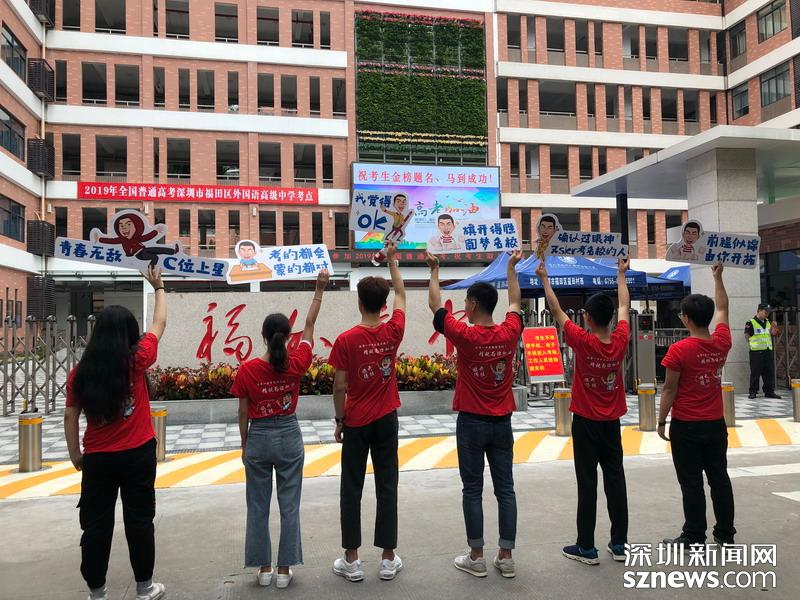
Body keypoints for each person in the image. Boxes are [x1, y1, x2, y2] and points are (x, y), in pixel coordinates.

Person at [64, 266, 168, 600]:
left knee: (96, 525)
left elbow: (70, 415)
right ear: (130, 333)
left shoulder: (80, 373)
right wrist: (159, 288)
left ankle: (97, 592)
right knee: (140, 520)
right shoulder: (136, 361)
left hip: (98, 459)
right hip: (138, 454)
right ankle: (145, 587)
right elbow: (159, 324)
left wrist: (75, 454)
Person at [427, 249, 524, 579]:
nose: (464, 308)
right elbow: (515, 301)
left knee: (472, 489)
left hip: (471, 421)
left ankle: (477, 556)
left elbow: (435, 305)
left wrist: (435, 270)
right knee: (505, 489)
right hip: (503, 422)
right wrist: (511, 268)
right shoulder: (509, 332)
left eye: (466, 303)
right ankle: (506, 556)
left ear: (472, 305)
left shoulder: (465, 335)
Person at [231, 270, 329, 590]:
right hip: (289, 435)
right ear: (288, 337)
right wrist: (319, 288)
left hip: (258, 437)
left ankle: (263, 569)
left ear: (263, 336)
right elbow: (310, 324)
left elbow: (243, 411)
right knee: (289, 505)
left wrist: (245, 444)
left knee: (258, 506)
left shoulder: (247, 369)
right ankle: (284, 570)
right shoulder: (296, 362)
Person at [536, 257, 631, 565]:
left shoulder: (582, 340)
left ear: (588, 318)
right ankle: (619, 544)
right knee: (615, 480)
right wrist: (620, 275)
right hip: (612, 422)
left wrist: (545, 278)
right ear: (610, 318)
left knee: (587, 482)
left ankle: (586, 547)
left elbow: (557, 311)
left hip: (586, 423)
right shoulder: (620, 339)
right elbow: (625, 306)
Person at [329, 243, 406, 582]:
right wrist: (392, 261)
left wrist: (340, 420)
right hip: (387, 418)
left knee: (352, 487)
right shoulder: (393, 331)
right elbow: (402, 293)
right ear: (383, 304)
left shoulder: (346, 339)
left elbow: (339, 386)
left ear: (359, 303)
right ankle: (388, 559)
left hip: (356, 421)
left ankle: (352, 559)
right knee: (387, 484)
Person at [657, 264, 736, 546]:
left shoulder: (679, 350)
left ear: (687, 319)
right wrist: (718, 278)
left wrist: (661, 421)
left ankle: (693, 535)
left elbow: (669, 389)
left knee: (691, 482)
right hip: (715, 424)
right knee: (719, 478)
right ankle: (725, 534)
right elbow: (723, 308)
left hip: (687, 426)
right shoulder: (722, 342)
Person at [93, 212, 178, 268]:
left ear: (136, 226)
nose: (124, 228)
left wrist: (156, 231)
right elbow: (111, 241)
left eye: (128, 224)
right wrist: (99, 239)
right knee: (155, 255)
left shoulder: (137, 237)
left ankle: (173, 251)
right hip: (138, 254)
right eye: (121, 226)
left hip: (144, 250)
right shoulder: (122, 239)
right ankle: (151, 269)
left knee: (156, 252)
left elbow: (147, 237)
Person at [745, 303, 781, 399]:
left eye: (768, 312)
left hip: (767, 351)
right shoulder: (750, 322)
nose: (767, 314)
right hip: (756, 352)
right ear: (759, 310)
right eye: (766, 312)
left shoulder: (768, 322)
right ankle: (753, 391)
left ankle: (769, 391)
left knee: (769, 372)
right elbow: (747, 336)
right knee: (755, 373)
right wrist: (753, 344)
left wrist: (774, 328)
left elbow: (773, 334)